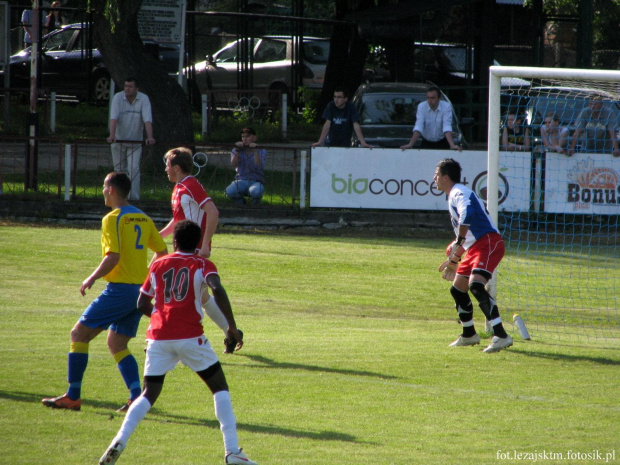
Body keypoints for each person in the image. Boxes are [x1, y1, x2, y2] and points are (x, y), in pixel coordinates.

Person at [99, 220, 257, 465]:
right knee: (219, 388)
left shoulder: (158, 264)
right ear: (197, 244)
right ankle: (232, 451)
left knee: (148, 394)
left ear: (174, 242)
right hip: (190, 336)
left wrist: (161, 317)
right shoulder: (202, 263)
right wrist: (231, 327)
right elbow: (217, 289)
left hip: (158, 337)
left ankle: (118, 440)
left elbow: (141, 303)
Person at [42, 172, 168, 412]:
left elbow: (113, 257)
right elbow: (162, 252)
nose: (102, 191)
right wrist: (147, 276)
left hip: (120, 290)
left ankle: (73, 396)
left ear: (111, 190)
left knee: (78, 334)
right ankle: (135, 397)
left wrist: (91, 277)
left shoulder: (112, 218)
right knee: (117, 343)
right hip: (139, 293)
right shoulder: (142, 218)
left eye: (103, 187)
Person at [161, 147, 242, 354]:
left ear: (177, 167)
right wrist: (157, 236)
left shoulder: (190, 185)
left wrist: (205, 244)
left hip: (192, 250)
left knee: (179, 294)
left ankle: (173, 340)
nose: (165, 169)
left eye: (168, 165)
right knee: (201, 296)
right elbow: (178, 219)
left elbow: (212, 211)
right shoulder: (179, 187)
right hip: (182, 250)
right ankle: (231, 332)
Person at [434, 158, 513, 353]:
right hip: (475, 247)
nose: (434, 178)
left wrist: (458, 243)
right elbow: (466, 234)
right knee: (457, 290)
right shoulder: (453, 194)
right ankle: (469, 334)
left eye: (436, 174)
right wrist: (453, 257)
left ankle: (501, 335)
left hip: (488, 242)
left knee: (476, 285)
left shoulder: (459, 192)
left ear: (445, 177)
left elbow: (467, 215)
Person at [107, 78, 156, 201]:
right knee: (119, 170)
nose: (127, 89)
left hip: (135, 142)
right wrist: (112, 135)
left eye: (130, 86)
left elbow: (147, 120)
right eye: (125, 86)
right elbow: (113, 118)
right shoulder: (118, 98)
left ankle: (133, 198)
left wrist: (150, 137)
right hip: (118, 141)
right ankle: (119, 196)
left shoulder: (143, 99)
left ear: (136, 89)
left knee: (133, 169)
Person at [400, 86, 462, 151]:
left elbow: (446, 126)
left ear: (439, 98)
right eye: (428, 98)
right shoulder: (422, 106)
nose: (430, 100)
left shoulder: (446, 106)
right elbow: (419, 125)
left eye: (432, 98)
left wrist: (452, 145)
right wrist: (410, 144)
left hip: (443, 142)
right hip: (426, 142)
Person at [225, 127, 267, 205]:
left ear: (254, 138)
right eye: (243, 136)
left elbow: (259, 165)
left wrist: (255, 151)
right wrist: (237, 151)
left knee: (256, 192)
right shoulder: (236, 149)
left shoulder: (261, 150)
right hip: (241, 179)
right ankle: (242, 205)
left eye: (247, 136)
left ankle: (254, 207)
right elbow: (234, 164)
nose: (244, 139)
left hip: (256, 180)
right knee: (229, 191)